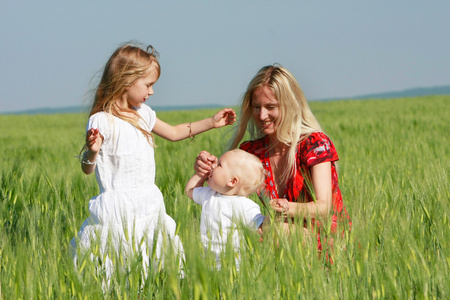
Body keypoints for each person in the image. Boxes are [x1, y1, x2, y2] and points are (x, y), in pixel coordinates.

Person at [70, 42, 236, 278]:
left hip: (148, 203)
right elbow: (87, 169)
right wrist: (92, 152)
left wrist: (211, 122)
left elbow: (176, 132)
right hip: (118, 210)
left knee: (152, 265)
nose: (152, 92)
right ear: (126, 81)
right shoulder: (102, 121)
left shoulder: (144, 114)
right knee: (116, 268)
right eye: (148, 85)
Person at [196, 65, 351, 254]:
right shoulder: (252, 151)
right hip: (277, 243)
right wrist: (210, 170)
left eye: (271, 107)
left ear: (290, 105)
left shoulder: (314, 144)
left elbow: (324, 207)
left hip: (326, 244)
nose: (262, 115)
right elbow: (226, 198)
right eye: (256, 107)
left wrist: (286, 208)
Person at [185, 149, 266, 269]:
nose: (214, 167)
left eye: (219, 165)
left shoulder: (245, 206)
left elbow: (263, 228)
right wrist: (202, 173)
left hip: (232, 266)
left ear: (232, 181)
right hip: (205, 262)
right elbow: (190, 191)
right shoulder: (209, 194)